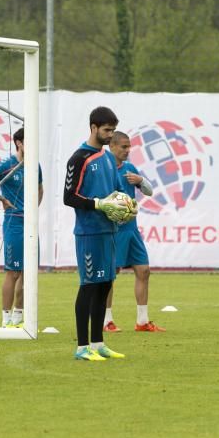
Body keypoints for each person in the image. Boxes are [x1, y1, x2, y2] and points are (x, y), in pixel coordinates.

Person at [62, 107, 128, 361]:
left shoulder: (109, 158)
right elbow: (69, 197)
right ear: (93, 127)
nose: (110, 135)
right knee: (88, 286)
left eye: (112, 130)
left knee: (104, 285)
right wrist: (99, 204)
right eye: (106, 130)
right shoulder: (78, 159)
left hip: (109, 231)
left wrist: (125, 207)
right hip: (88, 232)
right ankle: (81, 347)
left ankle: (98, 343)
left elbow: (118, 191)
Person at [0, 127, 44, 328]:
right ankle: (5, 320)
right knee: (13, 272)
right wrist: (2, 198)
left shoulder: (35, 166)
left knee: (28, 272)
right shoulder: (6, 165)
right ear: (19, 143)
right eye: (29, 141)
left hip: (30, 223)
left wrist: (33, 210)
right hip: (13, 222)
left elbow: (40, 189)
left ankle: (19, 318)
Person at [104, 131, 164, 333]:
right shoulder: (104, 167)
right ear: (111, 146)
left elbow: (149, 191)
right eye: (123, 146)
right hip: (114, 230)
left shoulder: (129, 168)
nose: (127, 150)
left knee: (144, 271)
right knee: (110, 275)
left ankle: (142, 321)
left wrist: (140, 180)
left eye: (129, 147)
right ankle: (106, 321)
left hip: (131, 229)